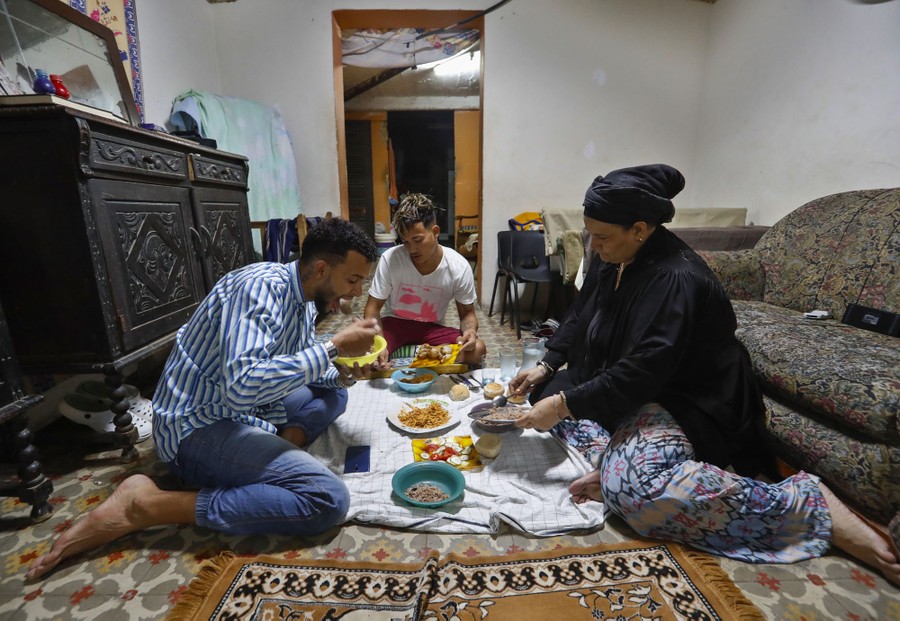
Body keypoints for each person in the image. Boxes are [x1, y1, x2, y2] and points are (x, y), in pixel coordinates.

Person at [509, 164, 900, 587]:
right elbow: (585, 310)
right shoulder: (614, 256)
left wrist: (565, 405)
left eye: (602, 237)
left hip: (685, 397)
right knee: (543, 394)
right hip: (635, 385)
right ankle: (615, 461)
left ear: (640, 228)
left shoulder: (676, 278)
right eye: (592, 235)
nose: (595, 246)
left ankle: (806, 504)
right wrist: (549, 363)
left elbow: (643, 371)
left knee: (633, 490)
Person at [26, 218, 380, 581]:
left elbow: (302, 366)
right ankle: (146, 505)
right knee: (328, 499)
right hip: (198, 425)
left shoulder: (303, 302)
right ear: (322, 269)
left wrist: (347, 367)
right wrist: (333, 346)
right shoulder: (259, 289)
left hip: (250, 410)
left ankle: (278, 450)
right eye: (352, 281)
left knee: (333, 391)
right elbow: (242, 385)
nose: (355, 294)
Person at [364, 193, 486, 368]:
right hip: (395, 325)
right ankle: (395, 357)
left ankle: (416, 358)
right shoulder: (390, 259)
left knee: (478, 349)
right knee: (369, 355)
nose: (411, 249)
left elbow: (467, 314)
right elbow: (372, 309)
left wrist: (470, 331)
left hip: (432, 328)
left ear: (435, 232)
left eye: (417, 240)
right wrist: (379, 341)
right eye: (405, 241)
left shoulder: (458, 266)